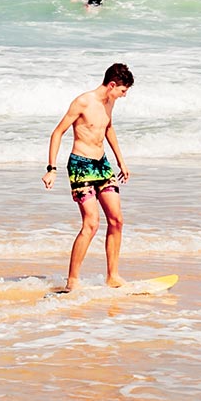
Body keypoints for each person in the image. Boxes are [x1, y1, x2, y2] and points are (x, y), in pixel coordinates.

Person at [42, 62, 134, 292]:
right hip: (80, 166)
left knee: (117, 220)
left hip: (102, 165)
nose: (123, 96)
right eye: (123, 91)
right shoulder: (83, 102)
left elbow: (108, 128)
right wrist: (51, 168)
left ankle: (112, 276)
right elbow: (58, 132)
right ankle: (72, 281)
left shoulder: (109, 102)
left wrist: (121, 160)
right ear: (112, 84)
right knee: (91, 224)